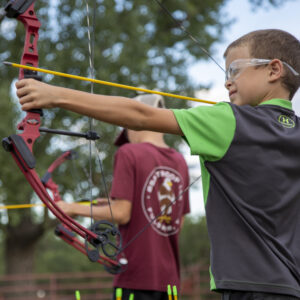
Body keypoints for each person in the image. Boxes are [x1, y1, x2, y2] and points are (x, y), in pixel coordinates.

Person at [15, 29, 300, 299]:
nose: (227, 81)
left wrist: (54, 95)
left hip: (245, 283)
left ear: (274, 70)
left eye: (234, 70)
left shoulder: (231, 120)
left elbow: (139, 114)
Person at [55, 93, 190, 300]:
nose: (127, 135)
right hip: (169, 282)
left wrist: (70, 208)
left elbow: (121, 214)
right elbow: (176, 221)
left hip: (136, 278)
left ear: (134, 121)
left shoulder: (129, 152)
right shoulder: (180, 161)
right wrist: (114, 204)